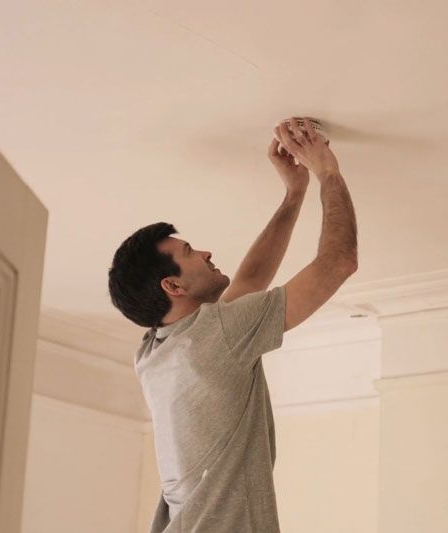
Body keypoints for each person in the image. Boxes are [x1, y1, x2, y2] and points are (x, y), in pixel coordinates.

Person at [107, 117, 358, 532]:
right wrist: (327, 171)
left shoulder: (157, 351)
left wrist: (294, 193)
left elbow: (248, 284)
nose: (205, 251)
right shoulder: (211, 341)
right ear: (172, 284)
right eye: (189, 252)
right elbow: (338, 263)